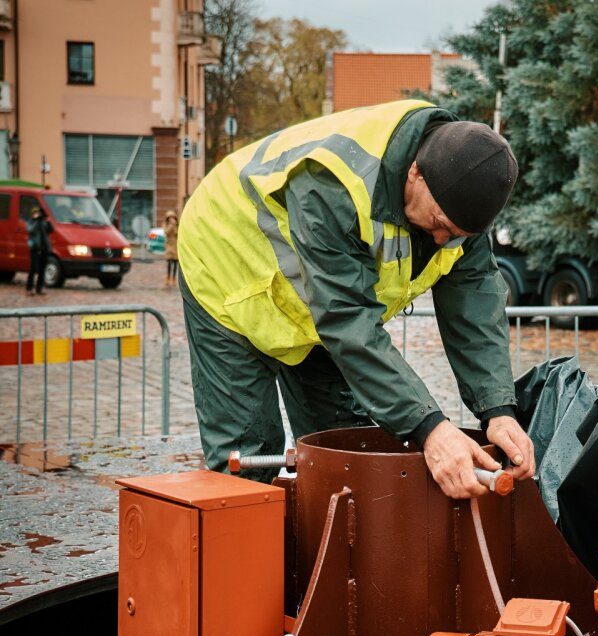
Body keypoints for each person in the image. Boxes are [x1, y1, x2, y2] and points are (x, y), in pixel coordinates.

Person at [178, 99, 536, 496]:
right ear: (415, 173)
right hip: (227, 275)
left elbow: (474, 302)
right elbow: (347, 320)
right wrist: (430, 428)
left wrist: (497, 411)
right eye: (439, 225)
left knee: (346, 448)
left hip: (317, 307)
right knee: (248, 456)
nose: (442, 240)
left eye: (457, 235)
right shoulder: (333, 185)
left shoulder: (457, 192)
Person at [25, 206, 53, 295]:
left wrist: (48, 221)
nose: (37, 214)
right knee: (33, 269)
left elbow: (51, 230)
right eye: (35, 213)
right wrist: (37, 221)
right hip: (35, 248)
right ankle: (29, 288)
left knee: (42, 269)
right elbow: (30, 230)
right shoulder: (30, 222)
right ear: (32, 214)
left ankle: (39, 288)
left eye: (38, 213)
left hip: (44, 248)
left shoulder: (43, 222)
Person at [162, 209, 179, 288]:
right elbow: (166, 232)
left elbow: (177, 233)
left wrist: (174, 226)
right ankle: (168, 277)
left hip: (175, 246)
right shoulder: (166, 224)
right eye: (170, 217)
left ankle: (174, 279)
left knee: (175, 263)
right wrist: (171, 225)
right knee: (169, 262)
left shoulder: (177, 225)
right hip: (169, 245)